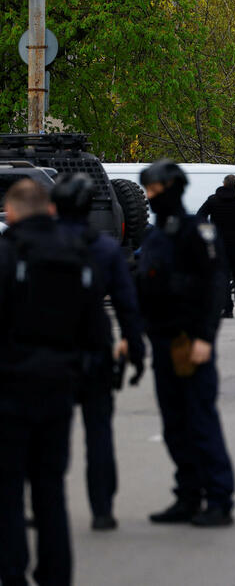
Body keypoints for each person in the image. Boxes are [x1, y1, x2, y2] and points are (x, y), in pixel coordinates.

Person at [0, 179, 107, 586]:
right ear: (49, 210)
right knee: (50, 491)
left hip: (10, 388)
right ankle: (55, 574)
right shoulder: (76, 255)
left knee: (8, 491)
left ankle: (12, 573)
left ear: (10, 212)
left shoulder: (7, 252)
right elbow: (95, 329)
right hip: (58, 387)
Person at [137, 160, 235, 527]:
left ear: (172, 190)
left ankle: (219, 499)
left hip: (190, 341)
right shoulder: (156, 234)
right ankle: (188, 496)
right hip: (163, 341)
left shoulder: (198, 231)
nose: (149, 198)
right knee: (174, 424)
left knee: (200, 421)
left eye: (154, 191)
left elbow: (214, 286)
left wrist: (205, 338)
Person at [52, 173, 146, 532]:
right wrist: (136, 352)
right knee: (99, 436)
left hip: (48, 355)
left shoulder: (34, 244)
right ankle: (102, 507)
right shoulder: (104, 249)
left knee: (49, 436)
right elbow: (126, 306)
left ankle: (46, 501)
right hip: (94, 351)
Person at [197, 175, 235, 318]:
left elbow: (200, 216)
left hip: (218, 246)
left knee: (222, 277)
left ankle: (227, 309)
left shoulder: (213, 200)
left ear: (224, 184)